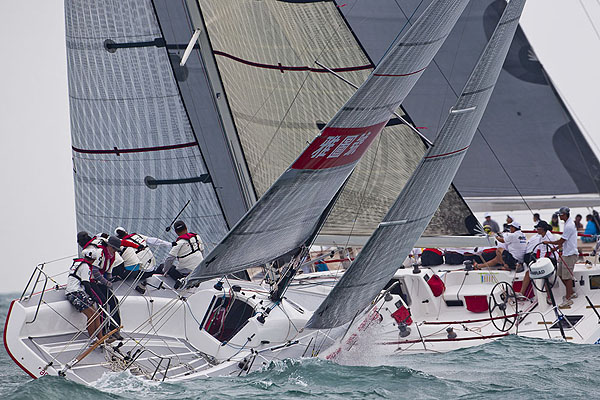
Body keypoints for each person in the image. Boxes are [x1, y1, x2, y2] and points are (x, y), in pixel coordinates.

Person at [65, 248, 103, 344]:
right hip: (74, 293)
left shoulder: (78, 263)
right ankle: (92, 339)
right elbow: (86, 284)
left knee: (97, 314)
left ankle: (101, 338)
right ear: (94, 260)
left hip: (75, 291)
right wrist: (93, 296)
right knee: (92, 315)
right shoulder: (85, 266)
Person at [543, 206, 578, 307]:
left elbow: (561, 240)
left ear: (565, 215)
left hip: (570, 254)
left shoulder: (569, 226)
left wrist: (548, 242)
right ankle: (571, 293)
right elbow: (564, 241)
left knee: (567, 277)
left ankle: (568, 299)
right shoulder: (567, 224)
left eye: (560, 215)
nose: (559, 216)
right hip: (566, 253)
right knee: (560, 274)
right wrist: (555, 248)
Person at [159, 220, 204, 289]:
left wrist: (165, 271)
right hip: (199, 269)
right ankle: (193, 281)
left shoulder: (179, 243)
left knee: (162, 267)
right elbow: (202, 251)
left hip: (186, 271)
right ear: (186, 228)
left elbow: (169, 259)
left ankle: (182, 280)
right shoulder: (197, 237)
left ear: (176, 232)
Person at [518, 221, 557, 300]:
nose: (536, 230)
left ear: (542, 229)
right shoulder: (540, 237)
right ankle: (522, 293)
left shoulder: (549, 236)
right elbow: (538, 251)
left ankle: (549, 297)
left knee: (545, 276)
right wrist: (537, 261)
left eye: (538, 229)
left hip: (550, 259)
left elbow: (549, 252)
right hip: (543, 259)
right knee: (528, 272)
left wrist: (541, 263)